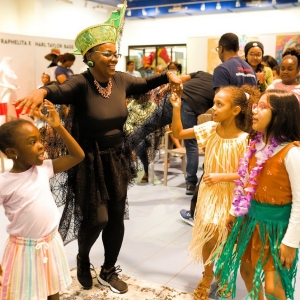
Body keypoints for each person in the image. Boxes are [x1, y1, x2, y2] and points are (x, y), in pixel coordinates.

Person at [16, 2, 181, 294]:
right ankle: (82, 257)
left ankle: (108, 269)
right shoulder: (80, 83)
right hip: (87, 159)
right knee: (98, 217)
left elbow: (144, 83)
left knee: (116, 218)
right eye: (108, 54)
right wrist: (42, 90)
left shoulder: (121, 80)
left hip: (116, 157)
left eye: (115, 53)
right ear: (90, 58)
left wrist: (169, 76)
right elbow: (59, 90)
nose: (114, 58)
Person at [170, 84, 259, 300]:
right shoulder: (210, 128)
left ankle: (224, 275)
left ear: (236, 110)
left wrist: (223, 176)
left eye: (219, 104)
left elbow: (250, 175)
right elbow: (178, 133)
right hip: (210, 193)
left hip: (233, 196)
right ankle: (207, 274)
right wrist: (176, 107)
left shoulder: (246, 139)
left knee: (228, 238)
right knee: (209, 232)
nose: (214, 108)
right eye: (214, 103)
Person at [215, 90, 300, 300]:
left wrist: (290, 242)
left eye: (263, 107)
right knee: (246, 272)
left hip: (276, 227)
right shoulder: (255, 145)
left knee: (273, 286)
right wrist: (234, 212)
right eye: (256, 106)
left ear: (281, 115)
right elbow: (244, 183)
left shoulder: (292, 153)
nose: (254, 111)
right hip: (250, 221)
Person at [0, 100, 85, 300]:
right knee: (20, 293)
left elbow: (77, 155)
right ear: (13, 153)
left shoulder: (43, 168)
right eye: (32, 142)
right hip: (22, 249)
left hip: (50, 242)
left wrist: (58, 126)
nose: (41, 146)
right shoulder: (4, 182)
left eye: (39, 139)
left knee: (51, 288)